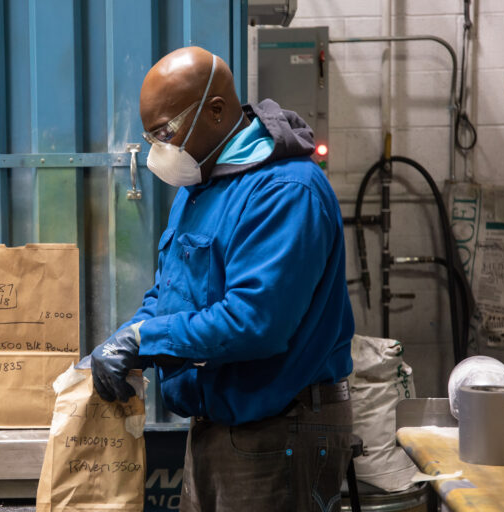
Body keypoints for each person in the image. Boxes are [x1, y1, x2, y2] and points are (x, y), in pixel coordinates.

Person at [89, 46, 355, 511]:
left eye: (165, 133)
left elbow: (255, 321)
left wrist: (145, 339)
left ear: (216, 111)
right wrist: (125, 339)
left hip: (279, 429)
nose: (159, 151)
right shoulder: (202, 188)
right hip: (219, 424)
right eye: (151, 137)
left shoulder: (286, 191)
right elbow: (172, 296)